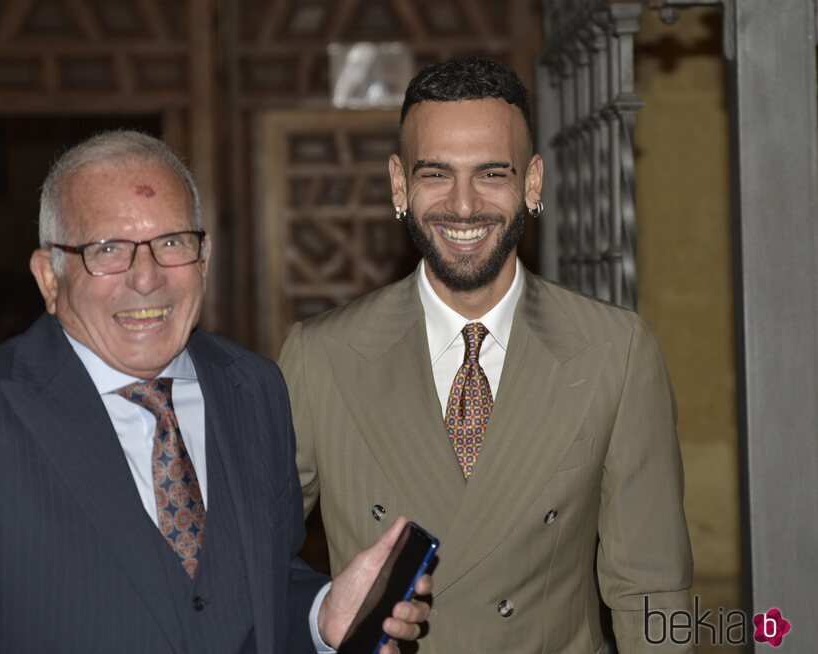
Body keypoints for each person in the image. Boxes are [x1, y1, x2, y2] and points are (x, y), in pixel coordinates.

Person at [0, 130, 430, 653]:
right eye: (108, 250)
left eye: (171, 242)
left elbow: (259, 584)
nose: (146, 277)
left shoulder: (253, 388)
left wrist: (319, 616)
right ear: (50, 277)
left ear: (205, 257)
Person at [279, 57, 693, 653]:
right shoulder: (320, 357)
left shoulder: (615, 352)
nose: (465, 206)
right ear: (400, 185)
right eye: (436, 174)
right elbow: (252, 568)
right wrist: (319, 622)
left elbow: (651, 590)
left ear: (532, 183)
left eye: (492, 174)